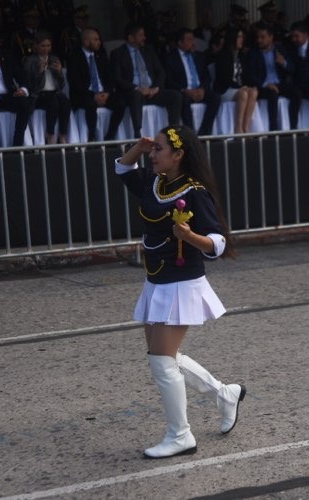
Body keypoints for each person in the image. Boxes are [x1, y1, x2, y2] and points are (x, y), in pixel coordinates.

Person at [114, 124, 245, 459]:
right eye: (153, 149)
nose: (153, 155)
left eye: (159, 149)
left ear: (179, 155)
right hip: (155, 280)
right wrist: (139, 147)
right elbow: (122, 168)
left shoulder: (195, 191)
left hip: (181, 283)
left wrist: (190, 237)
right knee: (165, 359)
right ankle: (224, 394)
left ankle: (180, 435)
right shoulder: (154, 182)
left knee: (160, 361)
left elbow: (217, 243)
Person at [110, 21, 181, 139]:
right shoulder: (118, 53)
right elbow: (117, 78)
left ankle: (173, 133)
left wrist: (156, 87)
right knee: (136, 96)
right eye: (141, 35)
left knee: (175, 96)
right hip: (131, 92)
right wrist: (137, 88)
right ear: (131, 38)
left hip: (151, 92)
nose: (144, 38)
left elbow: (160, 72)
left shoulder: (149, 50)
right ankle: (137, 134)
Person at [66, 27, 127, 141]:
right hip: (83, 95)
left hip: (103, 94)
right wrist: (93, 95)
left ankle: (110, 135)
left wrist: (107, 93)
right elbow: (75, 83)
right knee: (91, 104)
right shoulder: (74, 57)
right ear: (86, 41)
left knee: (120, 103)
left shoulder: (101, 56)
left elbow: (110, 79)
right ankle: (92, 136)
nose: (99, 42)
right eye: (96, 39)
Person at [164, 28, 220, 137]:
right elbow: (169, 81)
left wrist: (203, 89)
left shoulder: (198, 56)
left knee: (216, 98)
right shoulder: (170, 58)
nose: (192, 43)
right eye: (189, 40)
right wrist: (184, 90)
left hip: (199, 90)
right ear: (180, 43)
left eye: (192, 39)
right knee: (183, 100)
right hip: (185, 91)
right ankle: (190, 134)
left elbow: (206, 76)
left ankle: (204, 133)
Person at [245, 24, 301, 131]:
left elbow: (292, 69)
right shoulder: (253, 53)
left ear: (271, 37)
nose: (259, 40)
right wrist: (266, 84)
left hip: (279, 83)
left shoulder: (280, 49)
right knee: (272, 94)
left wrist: (283, 62)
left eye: (262, 37)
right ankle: (273, 130)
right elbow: (249, 76)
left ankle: (293, 127)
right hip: (262, 86)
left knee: (297, 93)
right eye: (258, 37)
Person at [23, 31, 70, 144]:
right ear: (36, 46)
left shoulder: (54, 59)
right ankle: (50, 134)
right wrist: (39, 72)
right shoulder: (29, 61)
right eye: (43, 46)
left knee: (65, 102)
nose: (46, 49)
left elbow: (62, 84)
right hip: (38, 95)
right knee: (53, 102)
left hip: (54, 92)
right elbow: (30, 85)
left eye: (48, 46)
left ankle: (63, 134)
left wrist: (59, 72)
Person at [213, 27, 258, 134]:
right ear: (232, 38)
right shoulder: (222, 56)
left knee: (254, 92)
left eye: (242, 37)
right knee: (243, 94)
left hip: (239, 88)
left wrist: (250, 85)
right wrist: (241, 87)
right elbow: (224, 79)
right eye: (238, 37)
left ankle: (246, 127)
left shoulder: (241, 56)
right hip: (225, 89)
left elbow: (245, 76)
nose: (241, 39)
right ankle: (238, 127)